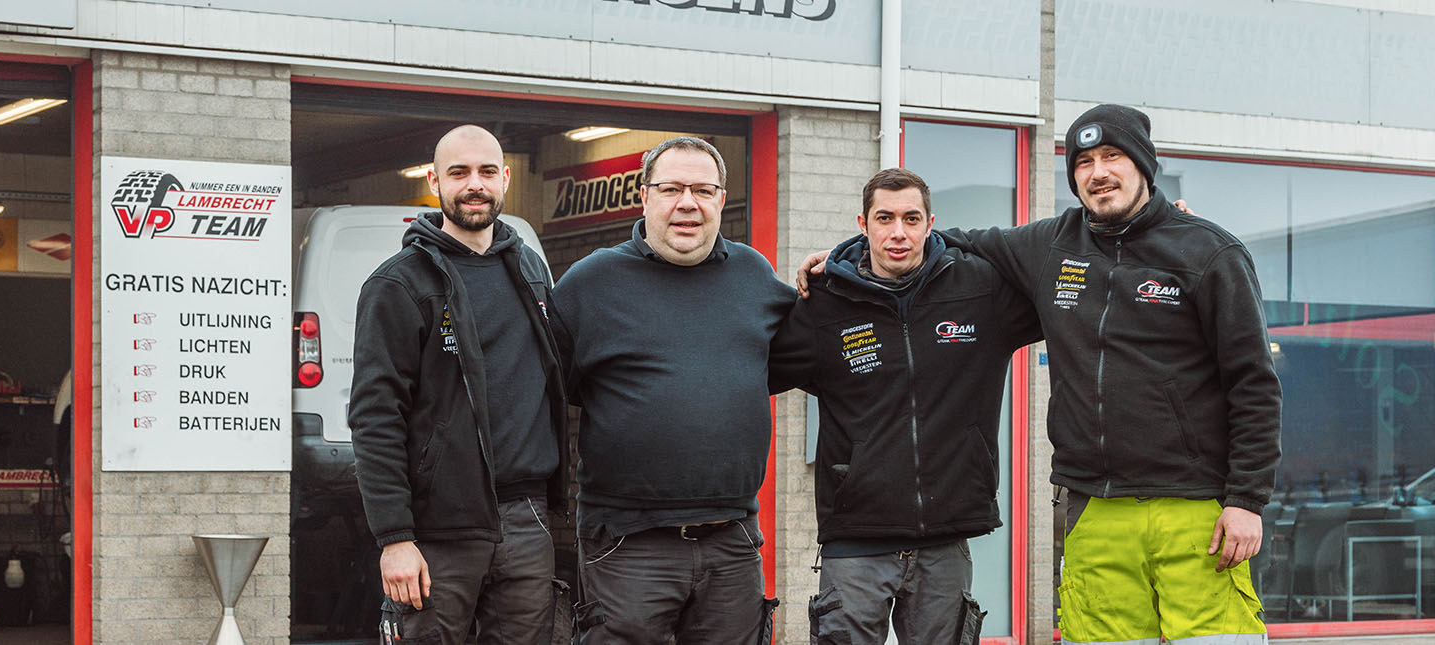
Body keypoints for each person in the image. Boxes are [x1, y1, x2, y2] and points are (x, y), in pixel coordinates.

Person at [798, 104, 1281, 644]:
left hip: (1196, 507)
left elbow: (1254, 383)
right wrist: (846, 261)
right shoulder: (1050, 244)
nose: (1098, 171)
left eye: (1113, 156)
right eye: (1084, 161)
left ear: (1144, 163)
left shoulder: (1209, 251)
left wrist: (1246, 499)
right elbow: (948, 240)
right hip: (1093, 506)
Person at [770, 168, 1041, 645]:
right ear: (863, 223)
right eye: (885, 218)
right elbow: (751, 368)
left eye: (912, 218)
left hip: (945, 537)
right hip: (856, 539)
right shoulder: (824, 304)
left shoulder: (980, 292)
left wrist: (1159, 236)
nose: (899, 232)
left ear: (931, 223)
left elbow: (1068, 288)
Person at [551, 136, 795, 644]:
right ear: (645, 197)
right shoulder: (590, 283)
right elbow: (549, 390)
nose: (688, 203)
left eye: (703, 190)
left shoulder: (754, 275)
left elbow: (803, 349)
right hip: (628, 543)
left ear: (721, 200)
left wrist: (841, 270)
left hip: (731, 540)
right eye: (672, 189)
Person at [349, 124, 570, 644]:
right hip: (437, 532)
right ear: (434, 181)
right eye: (460, 172)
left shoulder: (531, 270)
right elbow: (375, 416)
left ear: (505, 179)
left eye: (487, 172)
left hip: (526, 520)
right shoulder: (400, 283)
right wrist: (395, 538)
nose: (475, 184)